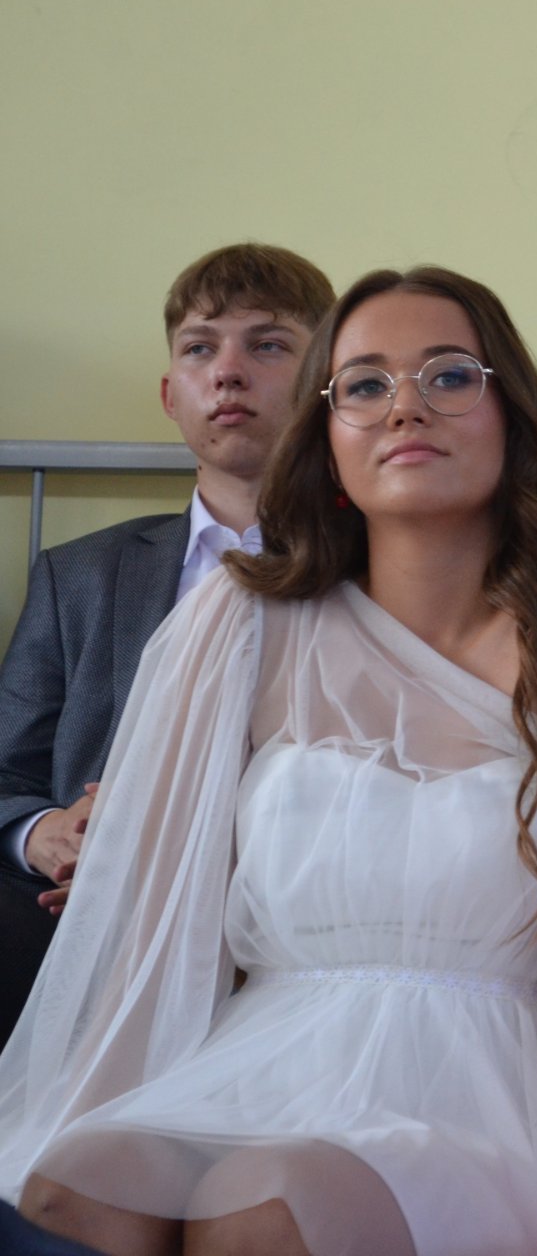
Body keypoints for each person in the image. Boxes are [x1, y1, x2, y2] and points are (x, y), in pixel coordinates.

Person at [0, 267, 537, 1255]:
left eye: (449, 375)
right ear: (324, 435)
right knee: (93, 1186)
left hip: (478, 1094)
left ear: (513, 412)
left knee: (270, 1203)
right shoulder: (243, 617)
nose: (406, 405)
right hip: (254, 1064)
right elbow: (150, 944)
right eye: (364, 384)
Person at [0, 243, 333, 1040]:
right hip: (93, 931)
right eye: (199, 348)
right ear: (169, 394)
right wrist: (44, 834)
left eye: (268, 344)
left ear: (326, 380)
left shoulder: (383, 568)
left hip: (304, 921)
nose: (228, 372)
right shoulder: (80, 575)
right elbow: (7, 771)